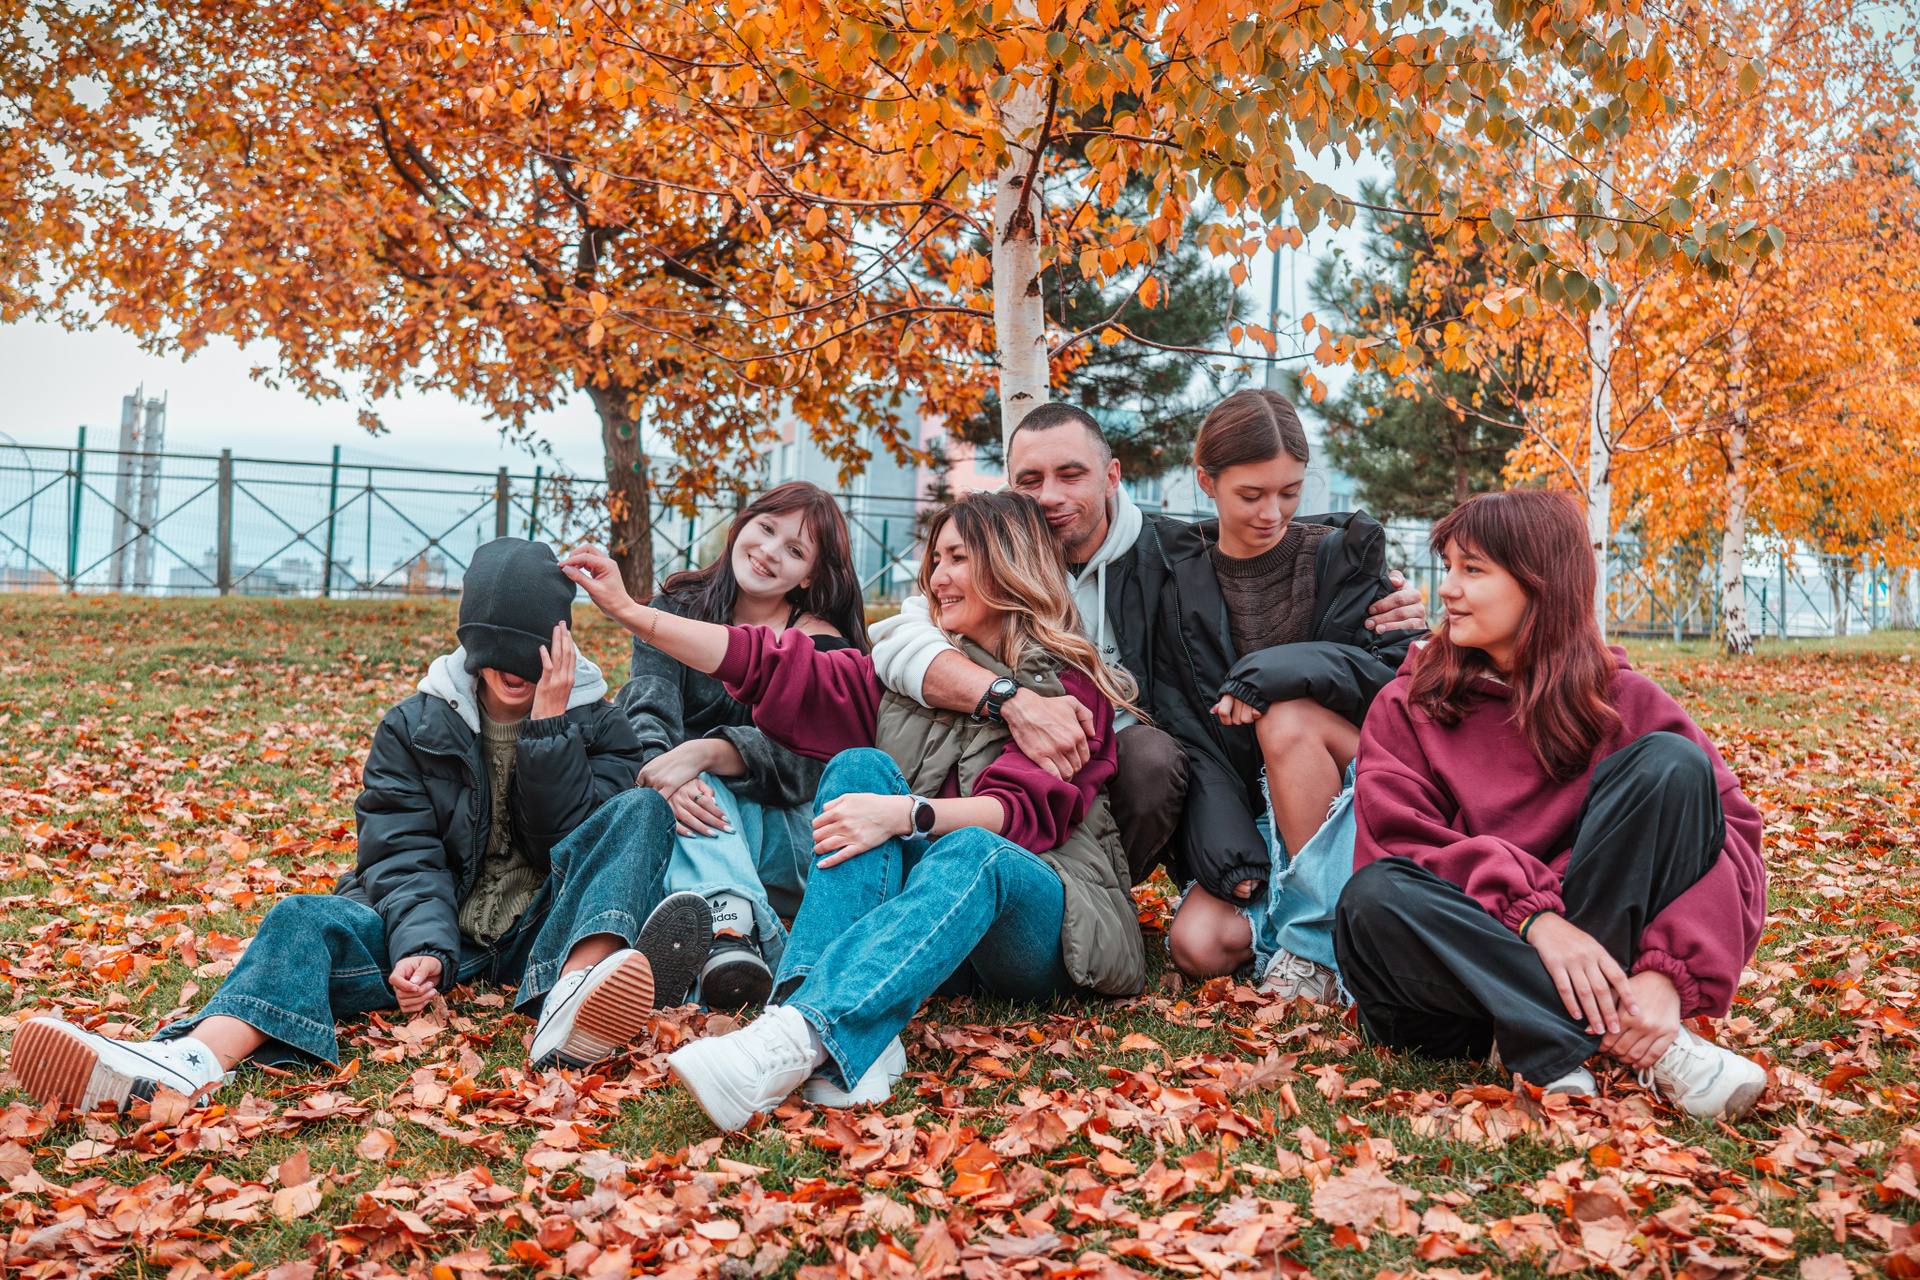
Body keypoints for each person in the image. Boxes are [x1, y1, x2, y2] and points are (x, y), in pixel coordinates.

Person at [8, 539, 711, 1114]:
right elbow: (401, 852)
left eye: (526, 650)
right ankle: (187, 1062)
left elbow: (571, 844)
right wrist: (422, 946)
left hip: (545, 935)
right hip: (444, 931)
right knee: (301, 917)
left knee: (642, 809)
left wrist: (551, 731)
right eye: (493, 651)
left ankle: (575, 997)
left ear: (559, 642)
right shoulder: (413, 725)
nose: (511, 669)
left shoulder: (602, 727)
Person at [559, 490, 1143, 1132]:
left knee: (973, 851)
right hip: (930, 933)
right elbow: (770, 664)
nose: (937, 577)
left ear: (1009, 566)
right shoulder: (913, 674)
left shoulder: (1067, 687)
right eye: (936, 559)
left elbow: (1022, 814)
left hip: (1043, 928)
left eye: (958, 559)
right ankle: (818, 1022)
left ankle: (796, 1039)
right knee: (858, 768)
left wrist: (906, 815)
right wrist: (630, 612)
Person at [1336, 490, 1769, 1119]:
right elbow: (1399, 843)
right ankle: (1632, 1038)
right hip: (1451, 999)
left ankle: (1547, 1039)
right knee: (1373, 895)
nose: (1447, 589)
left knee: (1673, 766)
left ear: (1541, 582)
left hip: (1595, 951)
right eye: (1449, 566)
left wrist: (1665, 976)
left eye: (1473, 569)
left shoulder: (1626, 701)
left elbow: (1731, 840)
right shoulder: (1407, 704)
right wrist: (1534, 921)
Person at [869, 402, 1427, 886]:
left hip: (1126, 774)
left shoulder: (1175, 555)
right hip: (1016, 765)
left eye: (1071, 475)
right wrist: (1009, 699)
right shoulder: (995, 558)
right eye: (1030, 481)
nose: (1050, 497)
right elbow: (900, 637)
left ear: (1112, 475)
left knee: (1152, 757)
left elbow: (1266, 536)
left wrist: (1379, 587)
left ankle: (1097, 891)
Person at [1151, 389, 1421, 999]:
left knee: (1286, 718)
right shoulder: (1175, 584)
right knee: (1197, 946)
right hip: (1258, 813)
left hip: (1354, 792)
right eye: (1251, 495)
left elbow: (1392, 680)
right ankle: (1326, 928)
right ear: (1206, 481)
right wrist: (1231, 851)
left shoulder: (1343, 560)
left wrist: (1276, 670)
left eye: (1290, 492)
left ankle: (1315, 949)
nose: (1272, 513)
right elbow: (1186, 726)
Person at [620, 481, 869, 1009]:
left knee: (705, 792)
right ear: (743, 524)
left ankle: (722, 928)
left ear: (810, 575)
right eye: (767, 528)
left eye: (795, 550)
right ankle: (733, 938)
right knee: (666, 803)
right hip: (685, 816)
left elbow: (809, 763)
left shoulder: (821, 643)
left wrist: (707, 754)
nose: (770, 551)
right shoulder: (675, 612)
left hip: (792, 841)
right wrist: (664, 778)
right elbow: (646, 705)